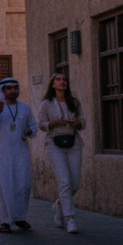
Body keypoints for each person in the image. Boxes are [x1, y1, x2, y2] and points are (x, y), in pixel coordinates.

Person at [0, 77, 38, 233]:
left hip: (21, 151)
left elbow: (32, 125)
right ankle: (6, 221)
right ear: (2, 90)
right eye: (9, 88)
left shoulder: (25, 108)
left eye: (15, 87)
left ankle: (20, 218)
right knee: (5, 186)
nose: (13, 91)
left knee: (23, 185)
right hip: (2, 152)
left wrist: (29, 131)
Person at [38, 73, 86, 234]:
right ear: (52, 84)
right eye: (58, 79)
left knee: (74, 183)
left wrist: (77, 123)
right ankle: (69, 218)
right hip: (54, 143)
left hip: (74, 143)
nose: (62, 82)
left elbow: (83, 121)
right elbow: (41, 123)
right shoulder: (46, 104)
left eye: (64, 79)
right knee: (64, 182)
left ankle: (59, 205)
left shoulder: (74, 102)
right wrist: (54, 123)